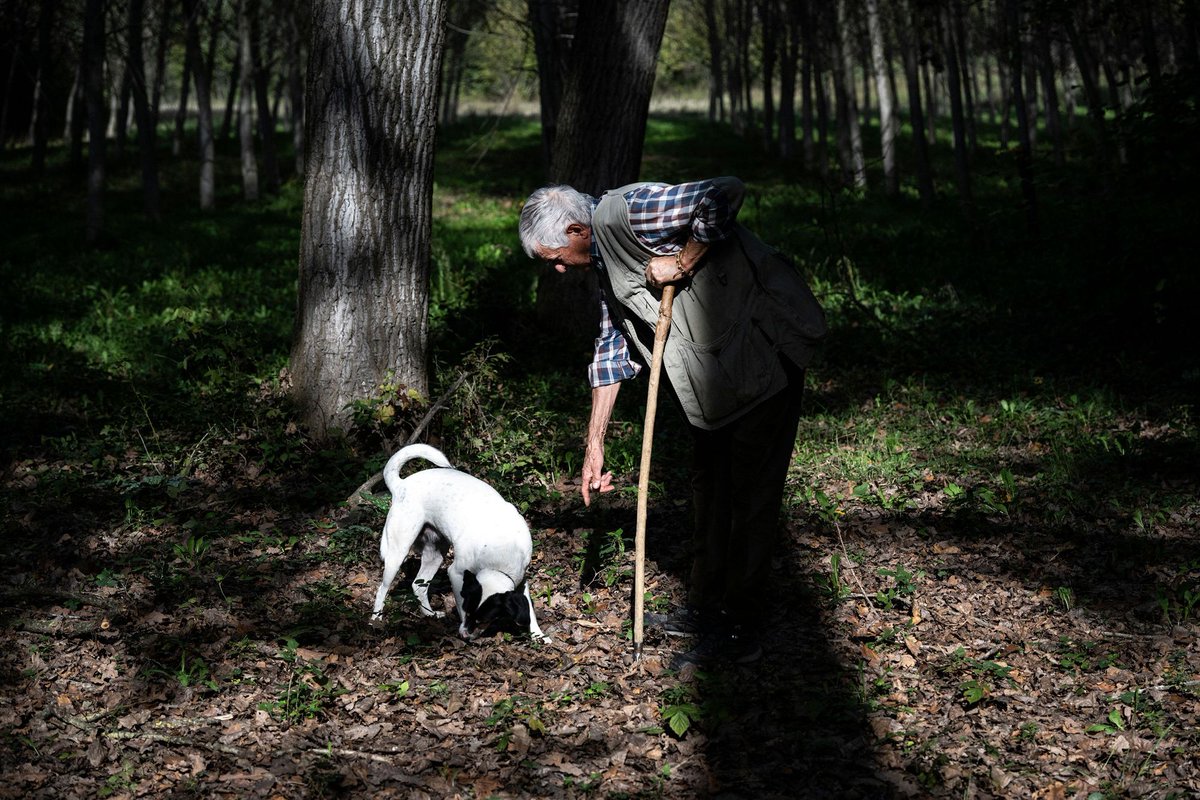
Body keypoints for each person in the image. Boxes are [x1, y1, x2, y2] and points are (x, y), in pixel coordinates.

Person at [519, 177, 826, 666]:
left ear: (577, 230)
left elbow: (724, 194)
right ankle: (705, 608)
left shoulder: (630, 212)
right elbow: (610, 349)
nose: (556, 269)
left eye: (554, 256)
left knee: (750, 495)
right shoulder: (602, 259)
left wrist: (681, 262)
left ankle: (740, 629)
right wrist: (593, 445)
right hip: (717, 378)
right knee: (710, 487)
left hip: (762, 356)